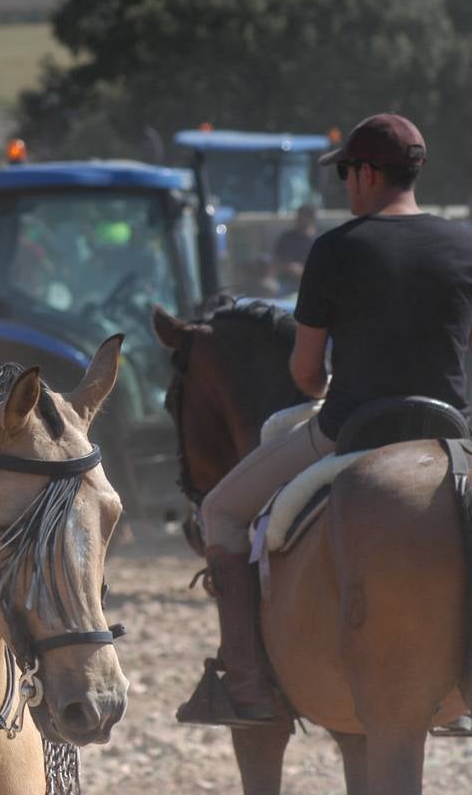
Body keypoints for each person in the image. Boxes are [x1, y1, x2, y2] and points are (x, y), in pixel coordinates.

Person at [184, 113, 472, 727]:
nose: (345, 186)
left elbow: (307, 370)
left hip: (351, 428)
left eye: (346, 173)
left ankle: (247, 683)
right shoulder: (465, 244)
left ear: (367, 173)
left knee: (222, 512)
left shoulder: (336, 249)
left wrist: (325, 386)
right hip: (453, 433)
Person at [271, 203, 319, 295]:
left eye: (303, 217)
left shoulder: (319, 241)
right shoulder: (286, 238)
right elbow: (275, 262)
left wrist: (303, 272)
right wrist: (289, 267)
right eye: (298, 217)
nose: (299, 220)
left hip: (311, 285)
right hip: (286, 283)